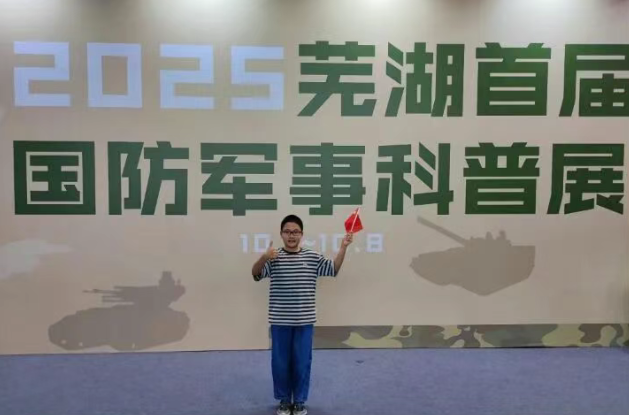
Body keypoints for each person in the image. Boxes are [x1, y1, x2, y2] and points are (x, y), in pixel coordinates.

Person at [251, 214, 353, 415]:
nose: (291, 235)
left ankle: (299, 401)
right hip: (280, 321)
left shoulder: (312, 257)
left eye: (295, 232)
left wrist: (343, 247)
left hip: (304, 322)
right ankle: (283, 400)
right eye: (287, 232)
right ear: (281, 234)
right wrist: (264, 257)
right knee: (280, 363)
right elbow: (255, 274)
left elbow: (333, 269)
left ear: (301, 234)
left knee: (302, 363)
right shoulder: (273, 257)